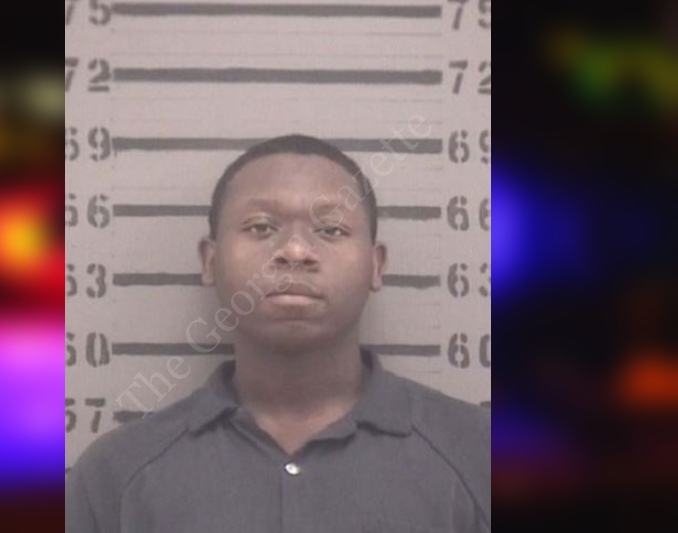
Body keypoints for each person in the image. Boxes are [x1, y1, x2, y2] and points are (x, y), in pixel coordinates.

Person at [65, 134, 490, 533]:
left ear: (376, 265)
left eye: (331, 230)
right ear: (210, 261)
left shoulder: (480, 455)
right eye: (261, 227)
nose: (296, 251)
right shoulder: (115, 474)